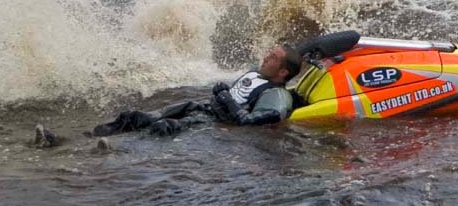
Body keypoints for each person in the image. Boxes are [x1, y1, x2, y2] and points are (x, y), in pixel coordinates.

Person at [89, 44, 302, 138]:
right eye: (269, 53)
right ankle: (86, 138)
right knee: (133, 117)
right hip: (203, 109)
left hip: (213, 124)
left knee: (164, 128)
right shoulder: (256, 73)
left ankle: (118, 151)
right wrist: (225, 91)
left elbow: (248, 121)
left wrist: (226, 98)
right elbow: (238, 95)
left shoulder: (277, 96)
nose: (266, 57)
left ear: (283, 72)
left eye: (272, 58)